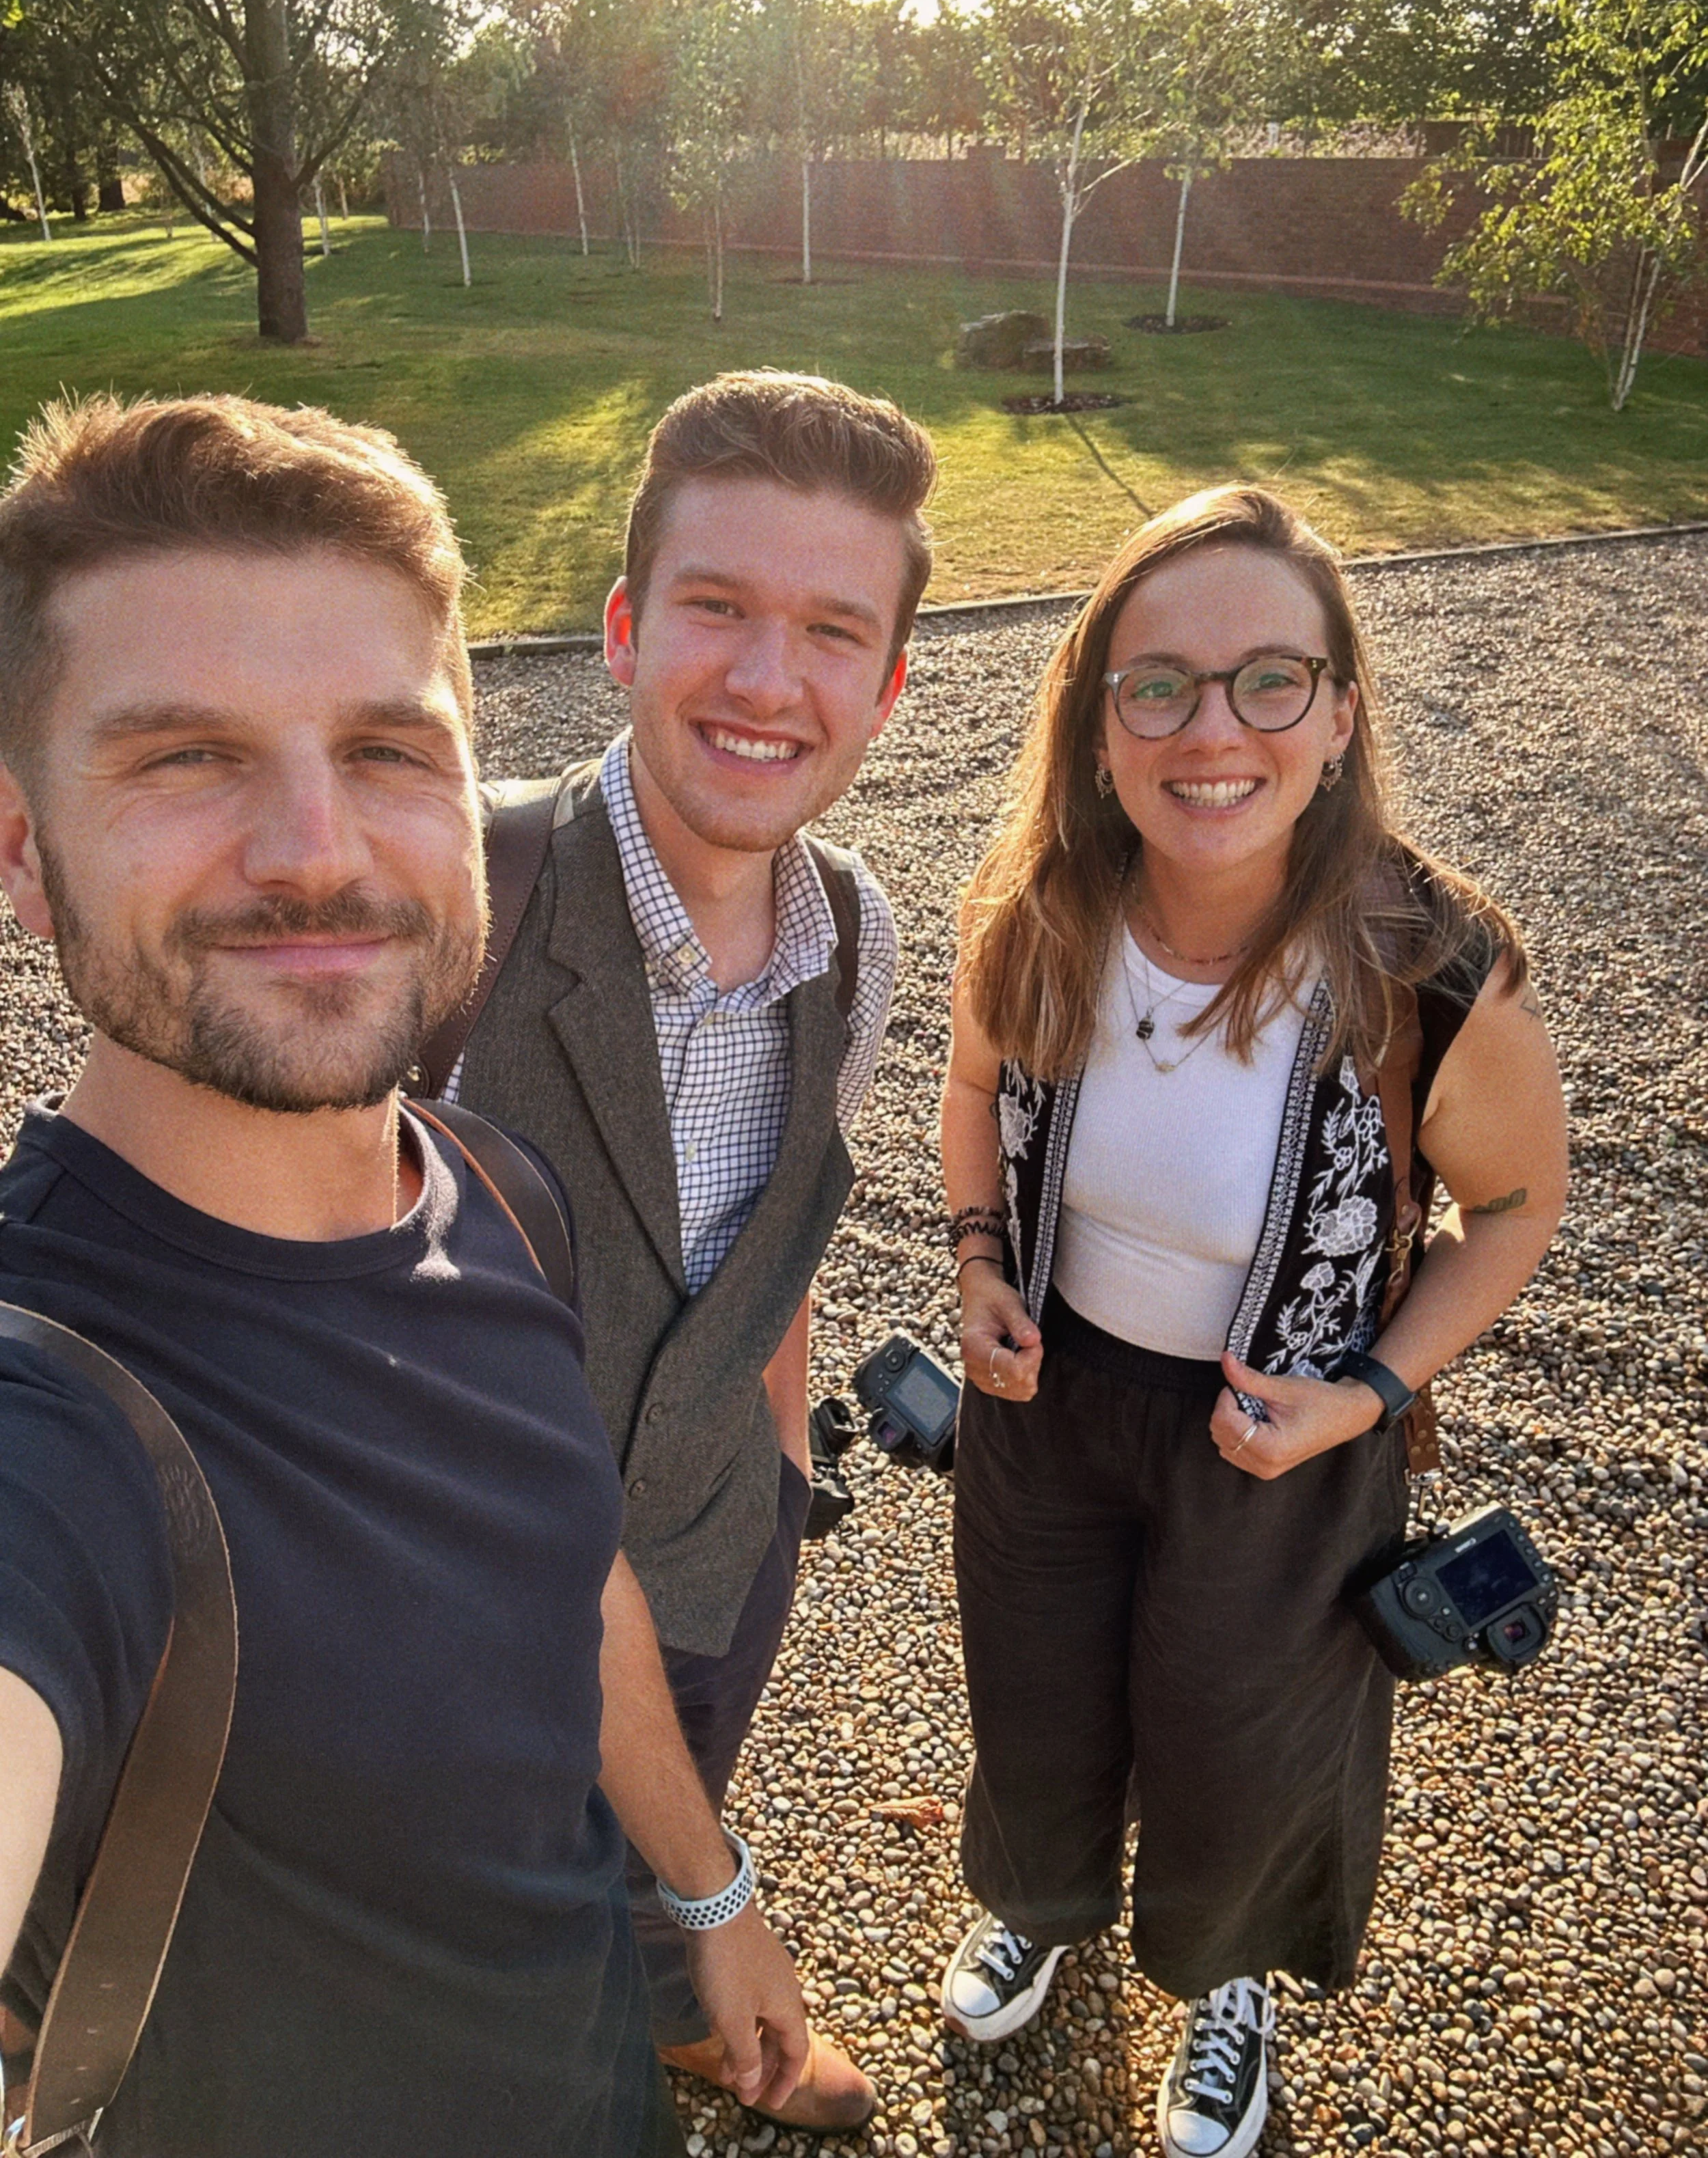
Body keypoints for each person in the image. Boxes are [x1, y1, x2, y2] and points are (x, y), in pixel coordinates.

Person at [0, 392, 811, 2158]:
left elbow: (564, 1567)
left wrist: (711, 1889)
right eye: (181, 756)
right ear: (18, 842)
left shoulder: (495, 1184)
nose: (315, 847)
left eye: (387, 749)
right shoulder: (46, 1415)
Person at [937, 486, 1568, 2158]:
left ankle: (1228, 1979)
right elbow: (970, 1085)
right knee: (1036, 1691)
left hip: (1282, 1438)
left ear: (1339, 712)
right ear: (1095, 724)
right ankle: (1043, 1903)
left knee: (1240, 1734)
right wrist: (978, 1264)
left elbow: (1511, 1210)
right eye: (1156, 684)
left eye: (1266, 680)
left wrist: (1363, 1392)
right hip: (1047, 1397)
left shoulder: (1430, 971)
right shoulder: (1038, 909)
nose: (1209, 729)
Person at [439, 370, 933, 2133]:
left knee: (670, 1823)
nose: (763, 678)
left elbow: (781, 1238)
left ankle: (670, 2009)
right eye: (716, 608)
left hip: (724, 1539)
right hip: (454, 1602)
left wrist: (784, 1475)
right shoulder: (449, 903)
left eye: (828, 631)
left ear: (886, 685)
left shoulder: (859, 933)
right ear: (625, 627)